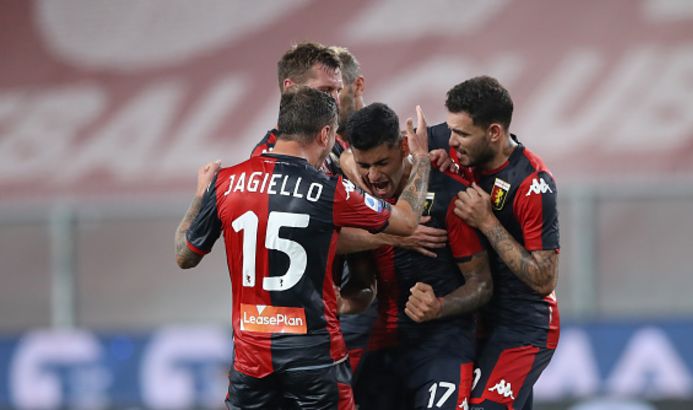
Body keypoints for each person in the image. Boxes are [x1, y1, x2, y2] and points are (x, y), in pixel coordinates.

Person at [174, 87, 433, 410]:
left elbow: (184, 255)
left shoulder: (226, 182)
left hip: (250, 360)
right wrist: (422, 160)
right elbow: (407, 221)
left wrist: (201, 195)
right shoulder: (330, 189)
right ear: (325, 134)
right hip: (314, 357)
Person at [343, 103, 493, 410]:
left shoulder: (449, 194)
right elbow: (363, 283)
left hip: (443, 345)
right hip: (385, 348)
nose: (374, 175)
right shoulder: (360, 202)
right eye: (364, 165)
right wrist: (343, 301)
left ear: (403, 147)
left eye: (382, 162)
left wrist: (439, 306)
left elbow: (481, 284)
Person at [444, 76, 560, 410]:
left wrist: (487, 221)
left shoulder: (532, 182)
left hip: (521, 328)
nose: (452, 141)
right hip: (477, 323)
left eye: (462, 134)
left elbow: (544, 279)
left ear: (494, 132)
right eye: (451, 130)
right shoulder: (459, 152)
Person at [250, 42, 347, 176]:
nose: (336, 101)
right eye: (325, 90)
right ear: (290, 88)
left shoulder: (334, 142)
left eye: (338, 91)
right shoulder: (265, 159)